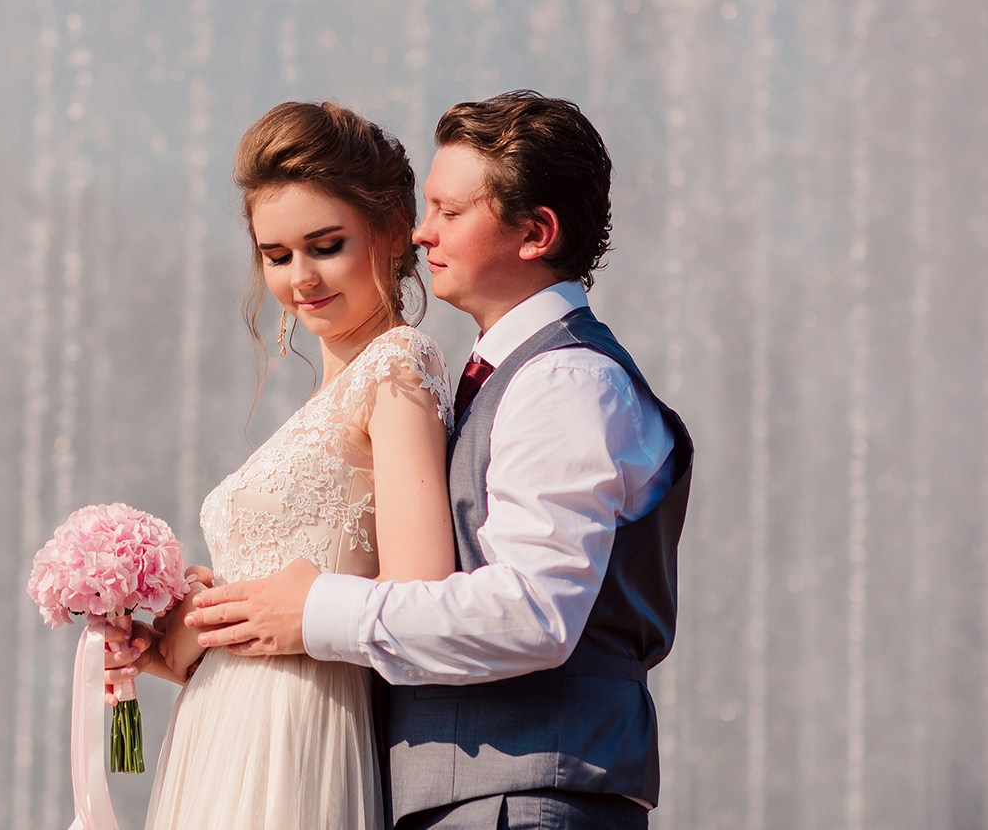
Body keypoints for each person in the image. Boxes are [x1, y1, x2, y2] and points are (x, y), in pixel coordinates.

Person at [178, 91, 695, 829]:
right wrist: (217, 628)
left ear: (536, 230)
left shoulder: (566, 379)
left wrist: (314, 607)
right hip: (463, 795)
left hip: (522, 800)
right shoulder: (497, 381)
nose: (421, 232)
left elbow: (535, 612)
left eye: (449, 212)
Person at [107, 101, 458, 829]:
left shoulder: (398, 366)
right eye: (276, 254)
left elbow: (422, 592)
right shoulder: (334, 393)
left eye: (325, 244)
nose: (300, 277)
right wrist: (193, 625)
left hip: (298, 731)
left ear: (394, 232)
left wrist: (282, 608)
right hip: (226, 725)